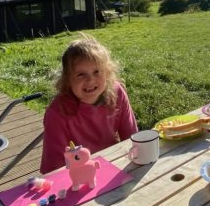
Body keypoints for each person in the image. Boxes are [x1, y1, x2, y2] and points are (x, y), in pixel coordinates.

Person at [40, 35, 138, 173]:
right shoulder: (57, 112)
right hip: (78, 175)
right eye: (81, 74)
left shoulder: (117, 92)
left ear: (107, 72)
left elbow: (131, 138)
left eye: (97, 72)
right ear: (67, 79)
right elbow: (54, 167)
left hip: (114, 163)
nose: (90, 80)